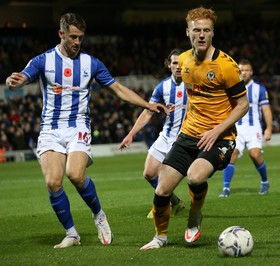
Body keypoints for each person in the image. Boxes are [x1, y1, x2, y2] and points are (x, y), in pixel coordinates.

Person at [5, 12, 168, 249]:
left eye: (81, 37)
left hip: (78, 126)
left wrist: (147, 104)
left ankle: (99, 215)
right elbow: (21, 78)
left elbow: (118, 89)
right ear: (61, 34)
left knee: (75, 175)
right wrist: (13, 81)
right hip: (50, 128)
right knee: (52, 182)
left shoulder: (92, 63)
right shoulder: (43, 60)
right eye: (72, 37)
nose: (77, 42)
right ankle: (72, 233)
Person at [139, 7, 249, 250]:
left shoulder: (226, 65)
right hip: (189, 134)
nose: (201, 35)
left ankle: (195, 216)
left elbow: (243, 105)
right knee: (162, 189)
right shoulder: (186, 61)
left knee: (195, 176)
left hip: (220, 137)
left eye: (206, 30)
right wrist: (184, 128)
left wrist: (216, 130)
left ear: (212, 33)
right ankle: (160, 238)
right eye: (196, 30)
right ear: (187, 32)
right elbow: (194, 99)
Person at [119, 49, 186, 218]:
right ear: (169, 65)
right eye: (175, 63)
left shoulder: (193, 84)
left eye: (181, 62)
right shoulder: (162, 87)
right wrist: (131, 134)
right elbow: (148, 112)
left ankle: (160, 207)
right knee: (149, 173)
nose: (178, 66)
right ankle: (176, 202)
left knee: (167, 175)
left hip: (185, 137)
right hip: (166, 136)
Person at [219, 59, 273, 197]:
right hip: (237, 127)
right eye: (241, 70)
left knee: (255, 154)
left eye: (246, 70)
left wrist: (269, 128)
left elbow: (266, 110)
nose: (243, 73)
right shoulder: (231, 87)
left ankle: (265, 182)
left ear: (251, 72)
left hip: (253, 127)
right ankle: (226, 188)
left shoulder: (259, 89)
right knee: (231, 155)